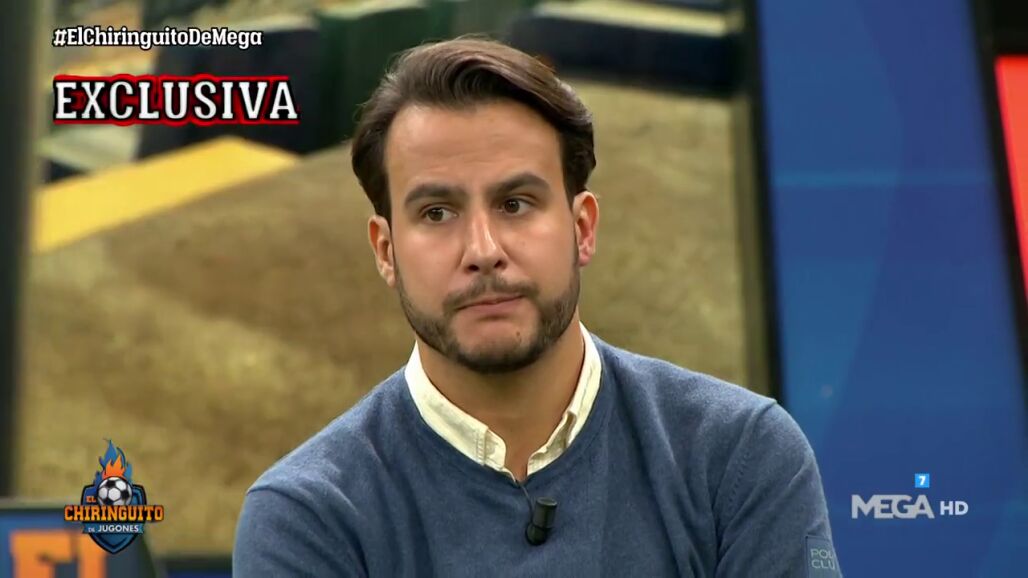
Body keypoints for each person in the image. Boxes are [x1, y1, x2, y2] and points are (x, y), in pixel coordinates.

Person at [233, 37, 840, 577]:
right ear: (386, 251)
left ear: (583, 228)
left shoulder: (739, 457)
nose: (483, 251)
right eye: (436, 213)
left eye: (515, 204)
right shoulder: (307, 516)